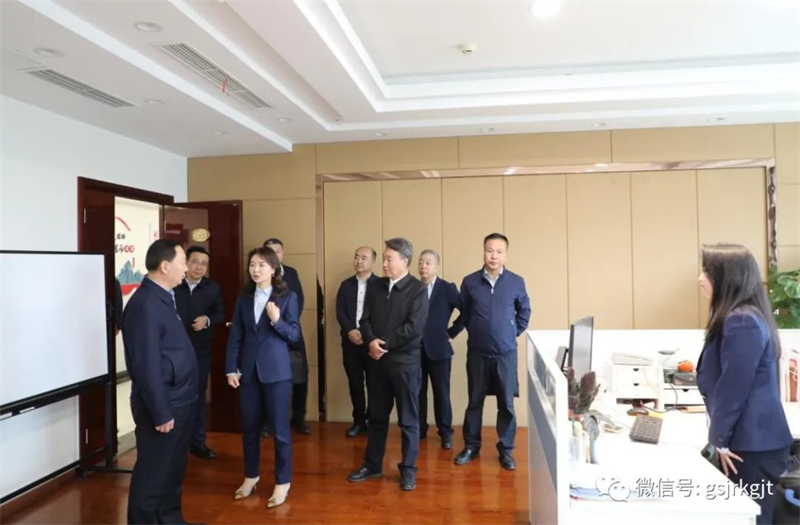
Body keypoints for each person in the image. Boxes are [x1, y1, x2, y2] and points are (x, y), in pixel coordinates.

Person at [697, 243, 792, 525]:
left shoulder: (742, 321)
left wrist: (719, 441)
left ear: (728, 278)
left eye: (707, 272)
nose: (700, 279)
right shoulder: (742, 316)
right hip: (751, 443)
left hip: (751, 447)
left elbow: (733, 388)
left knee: (750, 519)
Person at [122, 239, 197, 524]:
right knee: (153, 473)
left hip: (180, 397)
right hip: (164, 403)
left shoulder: (165, 297)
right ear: (165, 266)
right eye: (183, 263)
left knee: (173, 470)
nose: (186, 269)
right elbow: (146, 366)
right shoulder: (144, 305)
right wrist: (161, 411)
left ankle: (170, 519)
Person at [347, 238, 429, 491]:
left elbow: (413, 328)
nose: (384, 264)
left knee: (408, 421)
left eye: (389, 259)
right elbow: (364, 319)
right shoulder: (376, 286)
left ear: (405, 261)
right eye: (383, 259)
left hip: (405, 366)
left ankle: (408, 469)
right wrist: (370, 341)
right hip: (378, 365)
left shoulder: (418, 290)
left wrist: (381, 344)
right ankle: (372, 465)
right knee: (377, 418)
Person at [226, 246, 300, 509]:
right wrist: (230, 368)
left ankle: (282, 482)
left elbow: (294, 335)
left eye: (261, 265)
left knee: (280, 431)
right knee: (249, 429)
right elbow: (236, 335)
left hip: (277, 373)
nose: (255, 270)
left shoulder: (287, 297)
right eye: (252, 265)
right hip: (248, 372)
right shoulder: (244, 298)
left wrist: (277, 321)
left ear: (273, 269)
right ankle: (251, 476)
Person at [454, 233, 530, 471]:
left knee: (506, 404)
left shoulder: (516, 282)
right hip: (477, 353)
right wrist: (474, 331)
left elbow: (524, 312)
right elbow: (465, 314)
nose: (493, 256)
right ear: (483, 252)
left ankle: (506, 450)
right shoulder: (470, 282)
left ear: (505, 255)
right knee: (474, 402)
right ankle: (471, 446)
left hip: (505, 354)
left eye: (499, 251)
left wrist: (509, 333)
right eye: (489, 250)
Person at [174, 245, 225, 460]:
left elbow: (220, 314)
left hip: (200, 352)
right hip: (174, 353)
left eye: (204, 264)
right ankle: (176, 443)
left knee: (197, 397)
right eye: (195, 262)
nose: (199, 267)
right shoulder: (174, 285)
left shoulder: (212, 288)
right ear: (186, 263)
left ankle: (198, 442)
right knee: (175, 397)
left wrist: (207, 320)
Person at [417, 249, 464, 450]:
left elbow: (467, 311)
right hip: (415, 350)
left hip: (439, 350)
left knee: (441, 393)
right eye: (421, 262)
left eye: (428, 263)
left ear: (437, 267)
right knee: (417, 392)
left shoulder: (447, 288)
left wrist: (452, 332)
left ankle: (445, 432)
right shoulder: (412, 288)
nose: (423, 266)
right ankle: (418, 429)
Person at [263, 238, 310, 435]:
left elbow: (299, 300)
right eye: (270, 251)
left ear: (283, 253)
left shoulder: (291, 273)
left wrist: (285, 323)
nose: (275, 254)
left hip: (291, 330)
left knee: (300, 375)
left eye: (278, 251)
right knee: (268, 376)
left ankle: (299, 418)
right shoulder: (259, 273)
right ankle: (267, 422)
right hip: (267, 333)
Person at [336, 246, 378, 437]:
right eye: (357, 257)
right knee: (355, 384)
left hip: (372, 343)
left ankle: (372, 420)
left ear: (373, 262)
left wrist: (366, 334)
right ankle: (358, 421)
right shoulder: (346, 285)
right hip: (350, 342)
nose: (359, 261)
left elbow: (382, 314)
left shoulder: (380, 285)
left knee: (374, 384)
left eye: (364, 258)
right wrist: (351, 330)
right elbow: (340, 312)